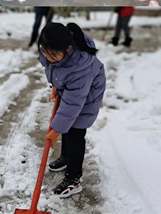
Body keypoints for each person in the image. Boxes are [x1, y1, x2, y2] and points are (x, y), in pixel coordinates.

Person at [37, 22, 106, 198]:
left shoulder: (80, 68)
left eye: (52, 55)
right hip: (73, 92)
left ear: (68, 49)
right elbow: (57, 69)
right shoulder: (56, 51)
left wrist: (55, 131)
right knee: (67, 126)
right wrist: (57, 86)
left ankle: (73, 180)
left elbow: (73, 104)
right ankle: (66, 157)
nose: (48, 57)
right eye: (45, 52)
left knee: (75, 134)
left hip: (86, 97)